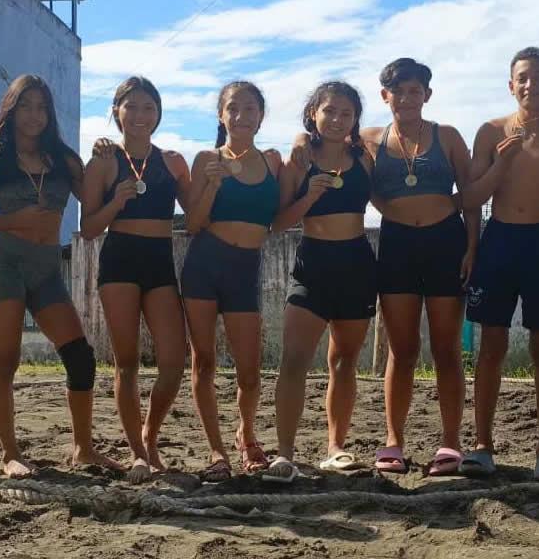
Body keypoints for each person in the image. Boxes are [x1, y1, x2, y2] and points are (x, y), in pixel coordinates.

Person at [295, 58, 479, 475]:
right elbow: (322, 140)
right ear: (385, 96)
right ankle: (394, 441)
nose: (406, 98)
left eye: (415, 91)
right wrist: (299, 140)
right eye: (398, 91)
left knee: (447, 348)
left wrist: (472, 247)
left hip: (446, 244)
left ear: (427, 95)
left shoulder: (448, 136)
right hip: (397, 245)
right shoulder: (368, 141)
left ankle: (451, 442)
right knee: (402, 348)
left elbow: (470, 197)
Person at [0, 75, 119, 478]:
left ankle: (83, 449)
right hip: (6, 267)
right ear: (11, 110)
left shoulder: (65, 161)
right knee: (6, 359)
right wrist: (15, 220)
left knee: (80, 358)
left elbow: (94, 203)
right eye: (26, 106)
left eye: (42, 107)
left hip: (46, 269)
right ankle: (10, 453)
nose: (34, 115)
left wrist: (104, 158)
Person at [460, 47, 539, 481]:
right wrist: (502, 163)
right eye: (523, 78)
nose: (532, 85)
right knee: (491, 345)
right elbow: (472, 198)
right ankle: (482, 446)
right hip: (498, 242)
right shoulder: (491, 131)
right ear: (511, 85)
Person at [263, 82, 377, 483]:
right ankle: (285, 454)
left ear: (355, 119)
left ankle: (335, 448)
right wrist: (309, 195)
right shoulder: (299, 159)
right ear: (313, 113)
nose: (337, 120)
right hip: (313, 264)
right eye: (329, 111)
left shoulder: (364, 157)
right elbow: (278, 223)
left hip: (357, 264)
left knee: (344, 361)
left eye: (346, 113)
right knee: (294, 359)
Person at [80, 77, 191, 483]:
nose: (141, 115)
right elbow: (89, 228)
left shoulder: (173, 161)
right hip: (120, 261)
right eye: (132, 106)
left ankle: (150, 434)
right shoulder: (103, 161)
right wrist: (116, 202)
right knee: (126, 363)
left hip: (160, 262)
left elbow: (196, 217)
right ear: (117, 111)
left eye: (149, 107)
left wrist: (212, 180)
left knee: (174, 363)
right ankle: (137, 453)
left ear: (158, 113)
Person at [182, 81, 282, 482]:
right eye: (233, 109)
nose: (242, 116)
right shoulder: (207, 159)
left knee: (249, 370)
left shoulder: (273, 161)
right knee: (204, 361)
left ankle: (246, 434)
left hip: (245, 268)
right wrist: (212, 184)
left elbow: (281, 215)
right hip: (205, 265)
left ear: (262, 115)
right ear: (221, 116)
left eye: (250, 108)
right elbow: (192, 224)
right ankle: (216, 450)